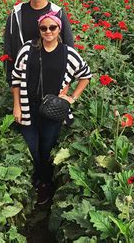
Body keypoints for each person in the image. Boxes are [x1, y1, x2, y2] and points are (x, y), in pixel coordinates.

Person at [11, 11, 91, 205]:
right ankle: (37, 178)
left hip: (52, 110)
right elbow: (15, 78)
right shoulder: (28, 49)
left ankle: (45, 183)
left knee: (46, 148)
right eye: (44, 28)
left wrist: (72, 97)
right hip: (28, 105)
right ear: (39, 30)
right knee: (32, 148)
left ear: (59, 29)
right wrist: (17, 106)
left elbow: (86, 75)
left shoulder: (68, 53)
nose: (48, 31)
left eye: (52, 27)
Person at [3, 0, 74, 87]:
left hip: (53, 79)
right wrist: (11, 82)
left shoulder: (58, 12)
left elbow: (68, 47)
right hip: (24, 79)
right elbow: (8, 49)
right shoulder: (16, 14)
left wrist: (66, 82)